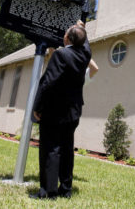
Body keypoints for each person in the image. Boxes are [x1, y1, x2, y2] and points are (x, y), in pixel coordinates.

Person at [30, 20, 91, 200]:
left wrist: (38, 107)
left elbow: (48, 83)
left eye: (65, 33)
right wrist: (81, 27)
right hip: (73, 112)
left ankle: (48, 191)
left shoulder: (60, 55)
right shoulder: (85, 55)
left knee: (51, 149)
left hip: (55, 111)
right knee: (66, 149)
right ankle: (66, 189)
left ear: (68, 39)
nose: (63, 35)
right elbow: (85, 42)